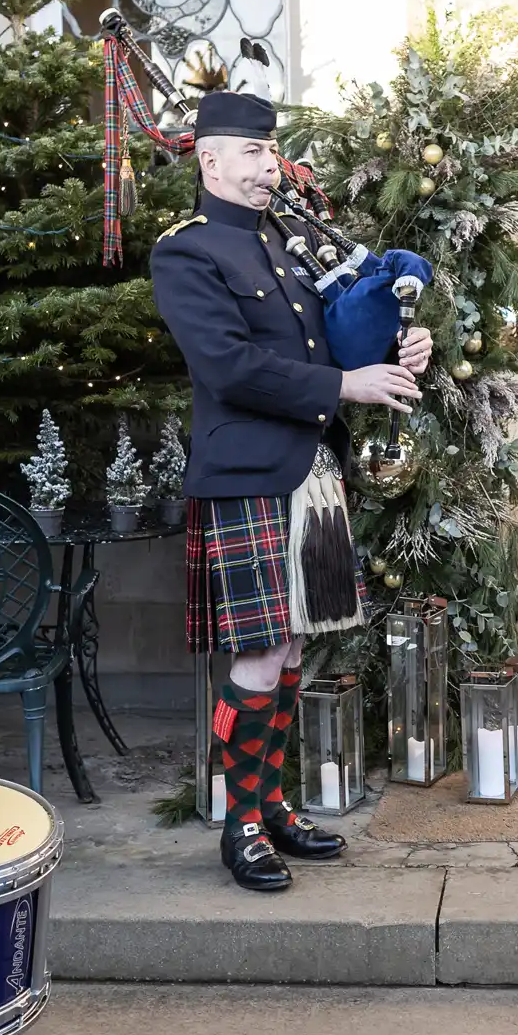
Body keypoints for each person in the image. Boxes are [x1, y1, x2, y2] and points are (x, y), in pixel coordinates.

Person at [152, 91, 433, 891]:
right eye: (250, 155)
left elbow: (339, 323)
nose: (269, 168)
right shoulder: (189, 253)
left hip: (310, 466)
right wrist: (345, 383)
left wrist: (402, 339)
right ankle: (238, 823)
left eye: (271, 154)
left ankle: (271, 802)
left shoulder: (290, 238)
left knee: (296, 642)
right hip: (246, 469)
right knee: (261, 648)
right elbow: (229, 367)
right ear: (210, 160)